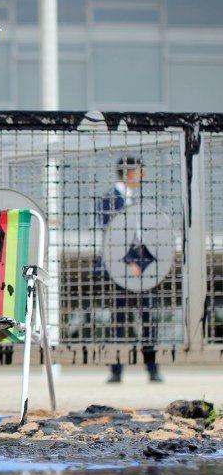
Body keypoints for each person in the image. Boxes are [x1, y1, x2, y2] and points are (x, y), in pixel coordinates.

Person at [98, 157, 162, 383]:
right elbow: (110, 233)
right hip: (120, 266)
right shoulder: (109, 199)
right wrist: (128, 261)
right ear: (129, 173)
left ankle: (152, 368)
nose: (143, 176)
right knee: (119, 318)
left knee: (148, 317)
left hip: (143, 266)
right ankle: (116, 370)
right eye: (140, 171)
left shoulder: (137, 198)